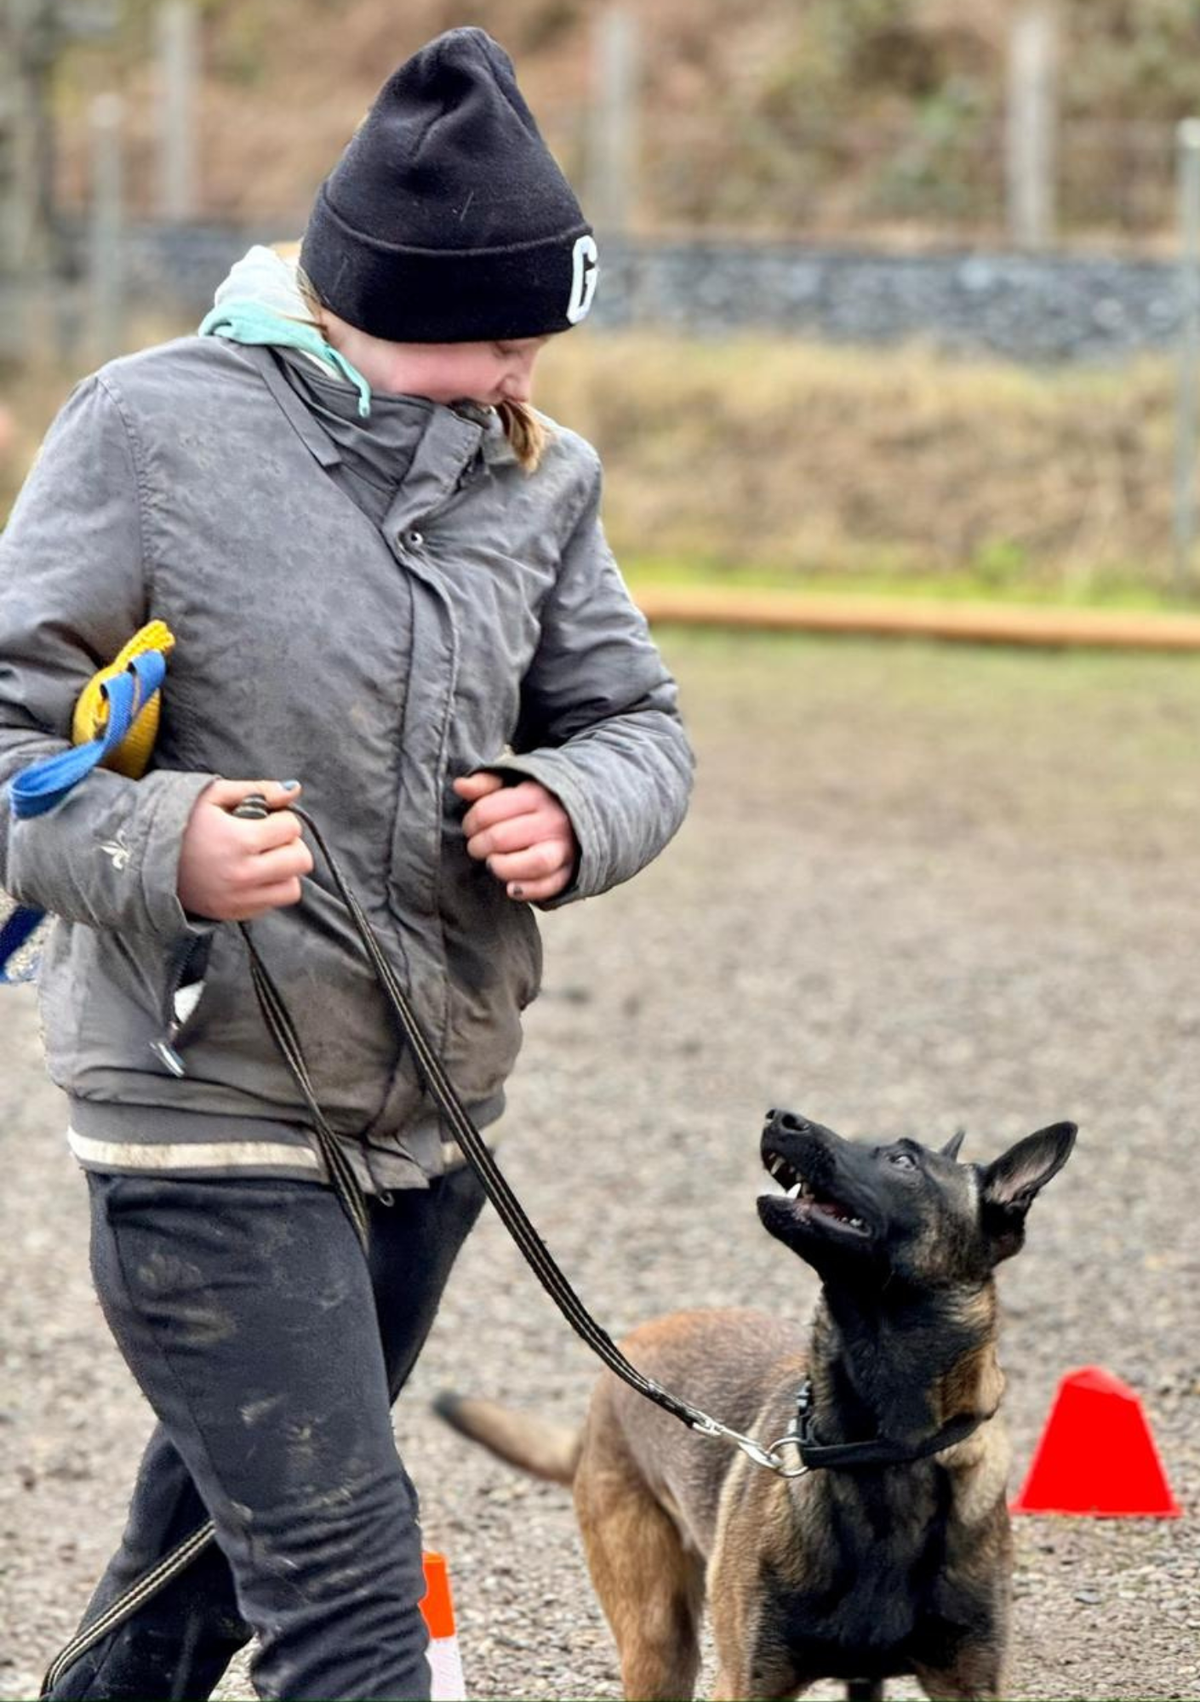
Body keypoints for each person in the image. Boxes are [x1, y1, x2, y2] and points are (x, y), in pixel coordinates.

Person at [0, 27, 693, 1701]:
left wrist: (573, 807)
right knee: (348, 1597)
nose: (526, 376)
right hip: (202, 1122)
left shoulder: (547, 475)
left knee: (191, 1588)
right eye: (498, 339)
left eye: (543, 338)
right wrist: (166, 843)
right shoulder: (149, 431)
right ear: (372, 302)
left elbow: (639, 724)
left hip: (429, 1129)